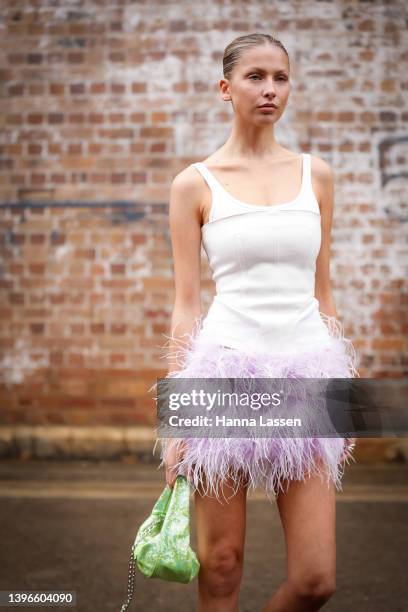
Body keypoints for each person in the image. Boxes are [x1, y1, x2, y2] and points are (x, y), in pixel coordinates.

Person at [154, 33, 359, 612]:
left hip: (307, 378)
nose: (270, 89)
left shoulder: (315, 176)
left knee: (316, 580)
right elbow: (187, 305)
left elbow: (324, 293)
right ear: (226, 88)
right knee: (221, 564)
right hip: (223, 379)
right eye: (255, 77)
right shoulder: (194, 183)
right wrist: (176, 419)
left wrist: (343, 402)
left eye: (281, 78)